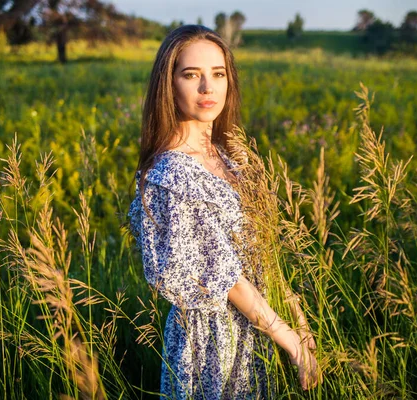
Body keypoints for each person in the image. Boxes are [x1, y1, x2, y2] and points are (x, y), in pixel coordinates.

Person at [128, 24, 321, 399]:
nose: (207, 88)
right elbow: (226, 275)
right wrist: (289, 341)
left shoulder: (230, 157)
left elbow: (259, 251)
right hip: (216, 340)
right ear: (168, 84)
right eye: (191, 75)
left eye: (218, 74)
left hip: (263, 324)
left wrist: (296, 315)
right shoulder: (170, 174)